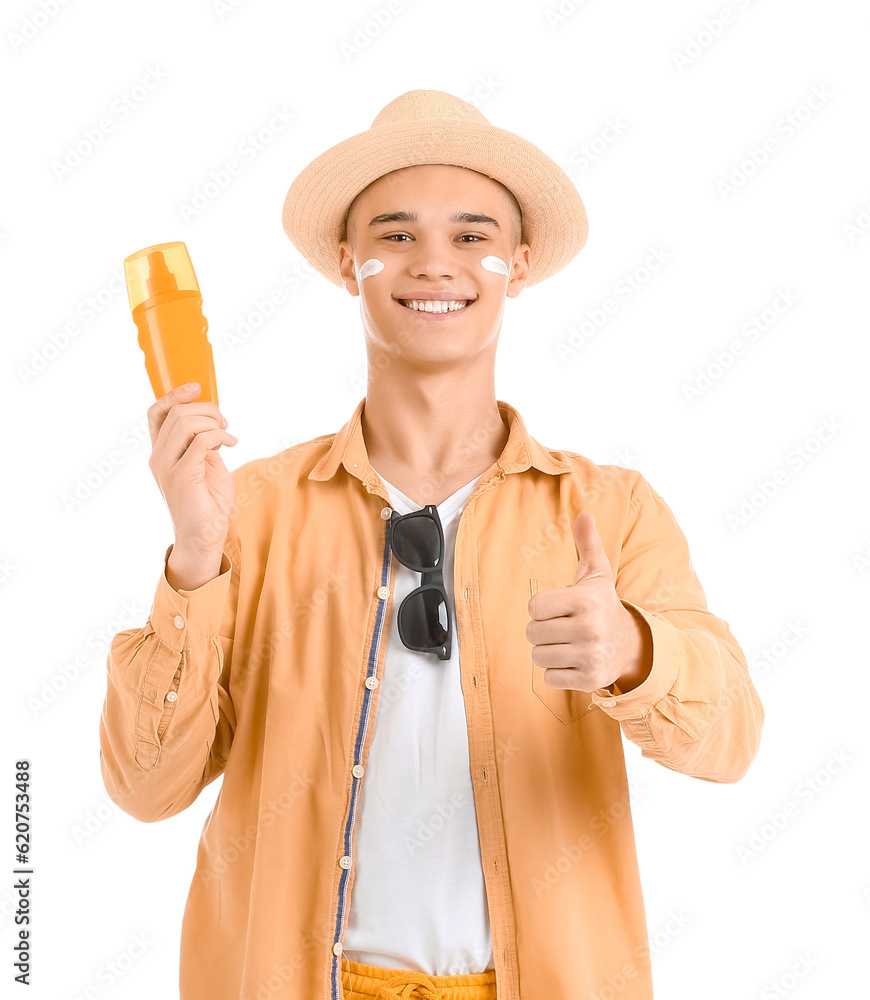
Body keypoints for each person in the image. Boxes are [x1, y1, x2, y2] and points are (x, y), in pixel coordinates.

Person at [99, 90, 765, 1000]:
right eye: (398, 234)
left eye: (471, 233)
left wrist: (635, 653)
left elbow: (731, 742)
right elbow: (144, 789)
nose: (435, 264)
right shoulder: (248, 511)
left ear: (518, 265)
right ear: (348, 262)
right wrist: (194, 560)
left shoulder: (608, 511)